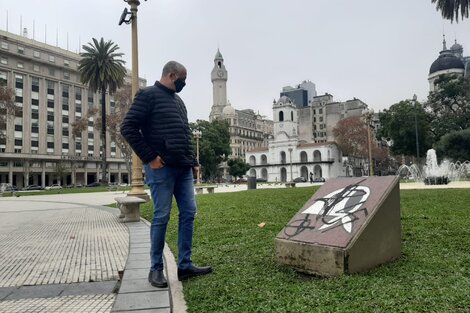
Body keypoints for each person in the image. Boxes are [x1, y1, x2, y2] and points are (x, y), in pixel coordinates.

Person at [121, 61, 212, 288]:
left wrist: (194, 162)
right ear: (172, 75)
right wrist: (150, 157)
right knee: (161, 216)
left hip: (183, 169)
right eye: (182, 79)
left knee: (189, 213)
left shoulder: (179, 102)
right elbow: (128, 127)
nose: (184, 83)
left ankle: (185, 265)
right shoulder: (147, 95)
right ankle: (155, 269)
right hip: (161, 168)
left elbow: (184, 133)